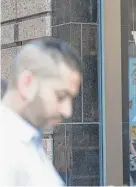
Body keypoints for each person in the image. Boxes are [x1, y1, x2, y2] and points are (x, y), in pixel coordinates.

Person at [0, 37, 82, 186]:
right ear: (27, 83)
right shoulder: (6, 147)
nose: (67, 111)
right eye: (60, 96)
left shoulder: (28, 140)